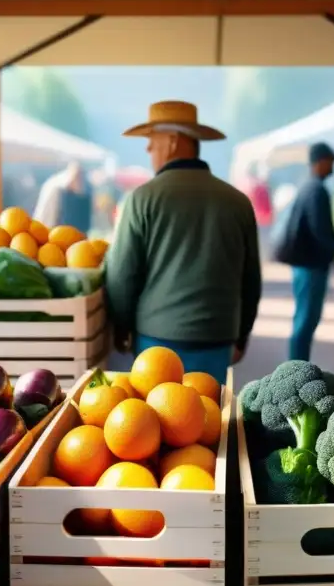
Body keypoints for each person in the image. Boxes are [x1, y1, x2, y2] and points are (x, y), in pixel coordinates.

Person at [105, 101, 262, 380]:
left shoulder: (142, 199)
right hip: (218, 338)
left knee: (158, 419)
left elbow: (122, 274)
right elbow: (251, 279)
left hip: (157, 341)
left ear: (174, 141)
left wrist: (121, 329)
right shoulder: (237, 202)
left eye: (152, 141)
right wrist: (242, 336)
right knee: (209, 417)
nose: (148, 149)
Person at [274, 142, 334, 361]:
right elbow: (320, 233)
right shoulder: (317, 190)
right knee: (306, 319)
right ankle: (297, 368)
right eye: (330, 161)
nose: (332, 166)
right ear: (321, 162)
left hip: (305, 265)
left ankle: (297, 366)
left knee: (303, 318)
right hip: (311, 266)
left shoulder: (308, 187)